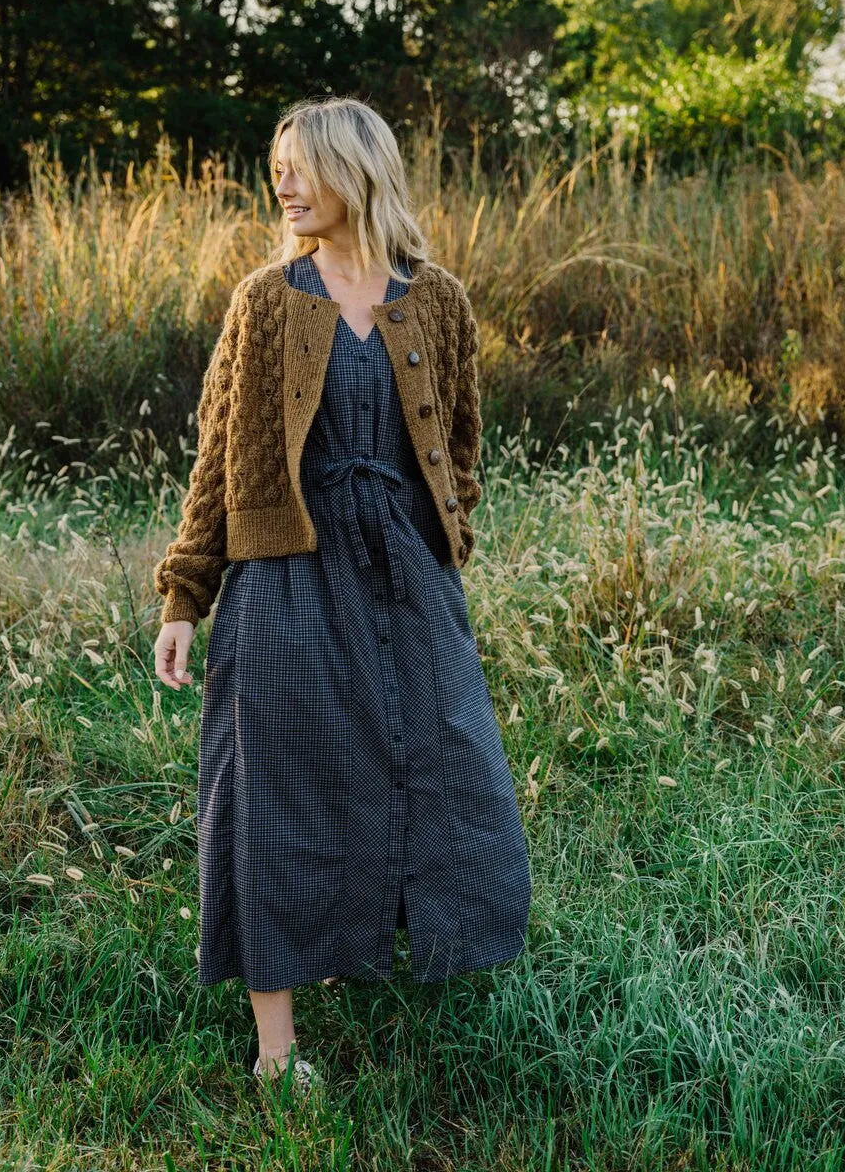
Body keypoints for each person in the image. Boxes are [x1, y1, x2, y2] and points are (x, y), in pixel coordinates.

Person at [152, 96, 532, 1094]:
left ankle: (382, 944)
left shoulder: (435, 297)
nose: (281, 182)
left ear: (354, 170)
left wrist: (441, 538)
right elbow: (217, 458)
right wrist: (185, 593)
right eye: (275, 166)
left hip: (405, 572)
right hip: (284, 571)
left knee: (445, 764)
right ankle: (277, 1047)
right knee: (274, 790)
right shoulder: (265, 299)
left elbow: (460, 439)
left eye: (299, 164)